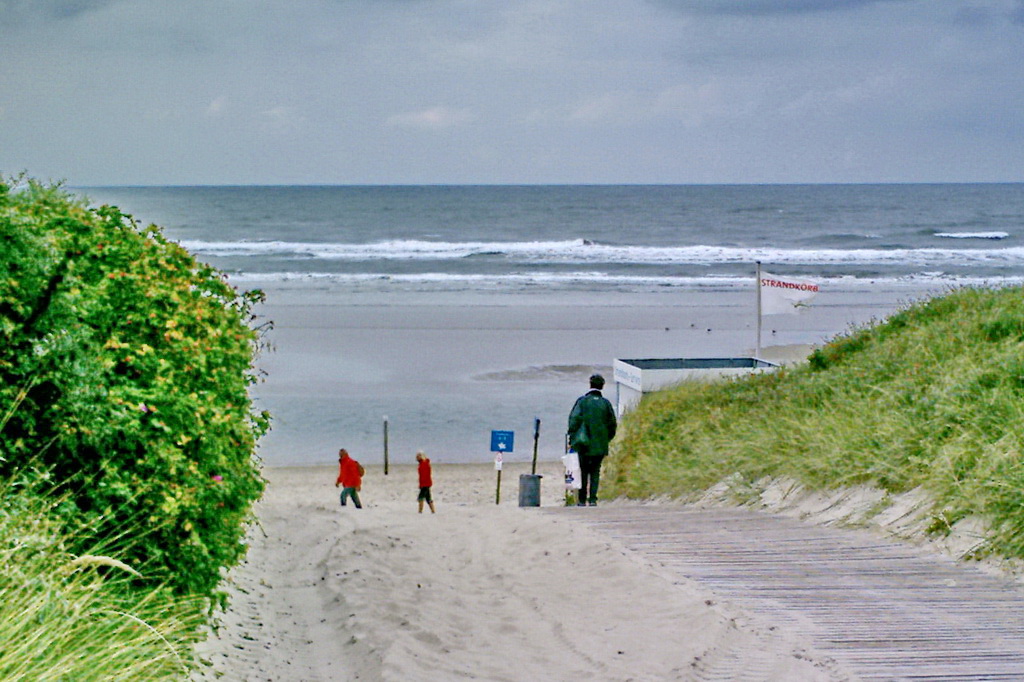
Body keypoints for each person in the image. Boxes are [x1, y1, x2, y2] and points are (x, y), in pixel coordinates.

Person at [567, 373, 617, 506]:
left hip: (583, 443)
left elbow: (574, 420)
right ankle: (593, 499)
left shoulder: (582, 401)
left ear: (590, 385)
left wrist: (572, 437)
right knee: (595, 471)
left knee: (583, 470)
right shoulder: (605, 403)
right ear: (602, 386)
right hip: (600, 444)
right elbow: (612, 424)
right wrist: (606, 439)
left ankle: (582, 500)